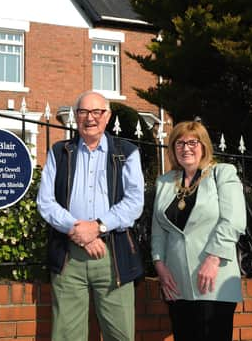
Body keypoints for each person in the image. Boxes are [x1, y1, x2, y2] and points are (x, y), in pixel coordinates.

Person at [37, 91, 145, 341]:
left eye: (97, 112)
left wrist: (98, 227)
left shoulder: (126, 152)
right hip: (68, 256)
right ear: (76, 117)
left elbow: (134, 202)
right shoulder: (59, 151)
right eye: (84, 112)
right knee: (66, 335)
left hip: (113, 255)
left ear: (107, 116)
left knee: (120, 334)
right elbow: (45, 202)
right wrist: (79, 231)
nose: (90, 118)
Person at [151, 121, 246, 341]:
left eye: (192, 142)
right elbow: (158, 230)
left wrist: (213, 259)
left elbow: (233, 220)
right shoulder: (164, 182)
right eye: (180, 143)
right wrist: (160, 266)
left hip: (214, 277)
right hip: (177, 282)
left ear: (203, 146)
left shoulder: (222, 173)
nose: (186, 148)